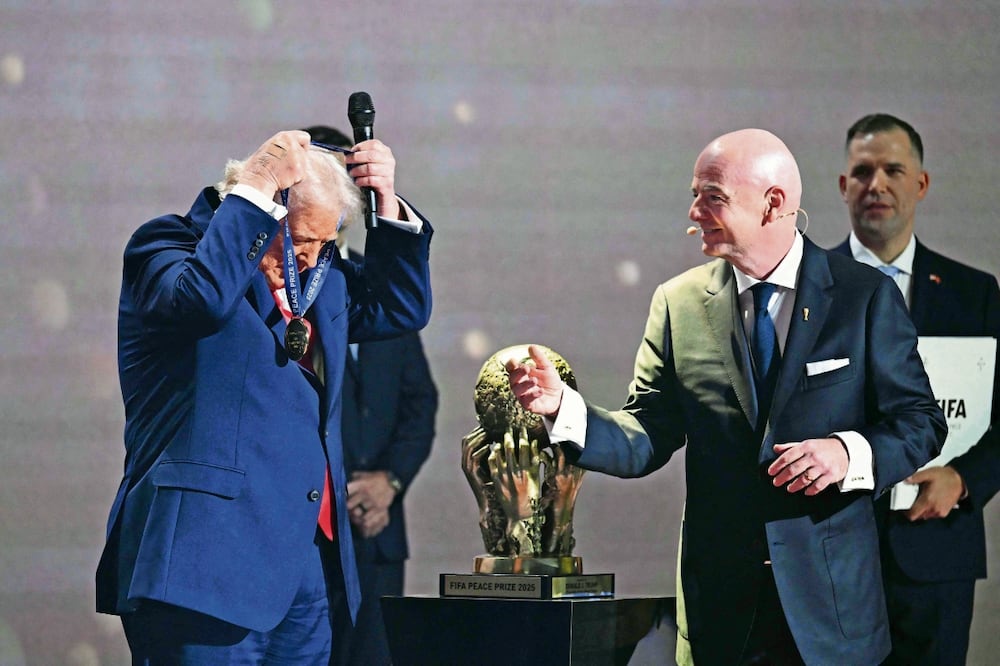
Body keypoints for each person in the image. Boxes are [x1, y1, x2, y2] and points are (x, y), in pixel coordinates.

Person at [506, 128, 946, 665]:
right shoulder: (678, 304)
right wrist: (564, 409)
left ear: (773, 204)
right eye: (695, 195)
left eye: (712, 197)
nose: (694, 213)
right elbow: (646, 433)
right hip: (720, 616)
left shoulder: (864, 296)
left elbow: (920, 422)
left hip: (832, 615)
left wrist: (847, 454)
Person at [96, 129, 434, 664]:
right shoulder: (168, 245)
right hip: (204, 561)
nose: (313, 259)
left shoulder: (324, 279)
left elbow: (401, 308)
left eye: (325, 244)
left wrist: (387, 205)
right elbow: (201, 301)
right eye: (300, 243)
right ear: (263, 210)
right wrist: (254, 188)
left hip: (306, 568)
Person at [832, 113, 1000, 666]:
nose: (876, 184)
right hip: (828, 555)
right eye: (862, 172)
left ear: (921, 184)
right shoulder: (805, 288)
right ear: (844, 186)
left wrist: (964, 479)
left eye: (893, 170)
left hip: (936, 550)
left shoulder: (973, 294)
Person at [304, 124, 439, 666]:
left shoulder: (374, 287)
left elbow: (420, 404)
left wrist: (391, 481)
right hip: (309, 521)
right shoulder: (277, 284)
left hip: (378, 528)